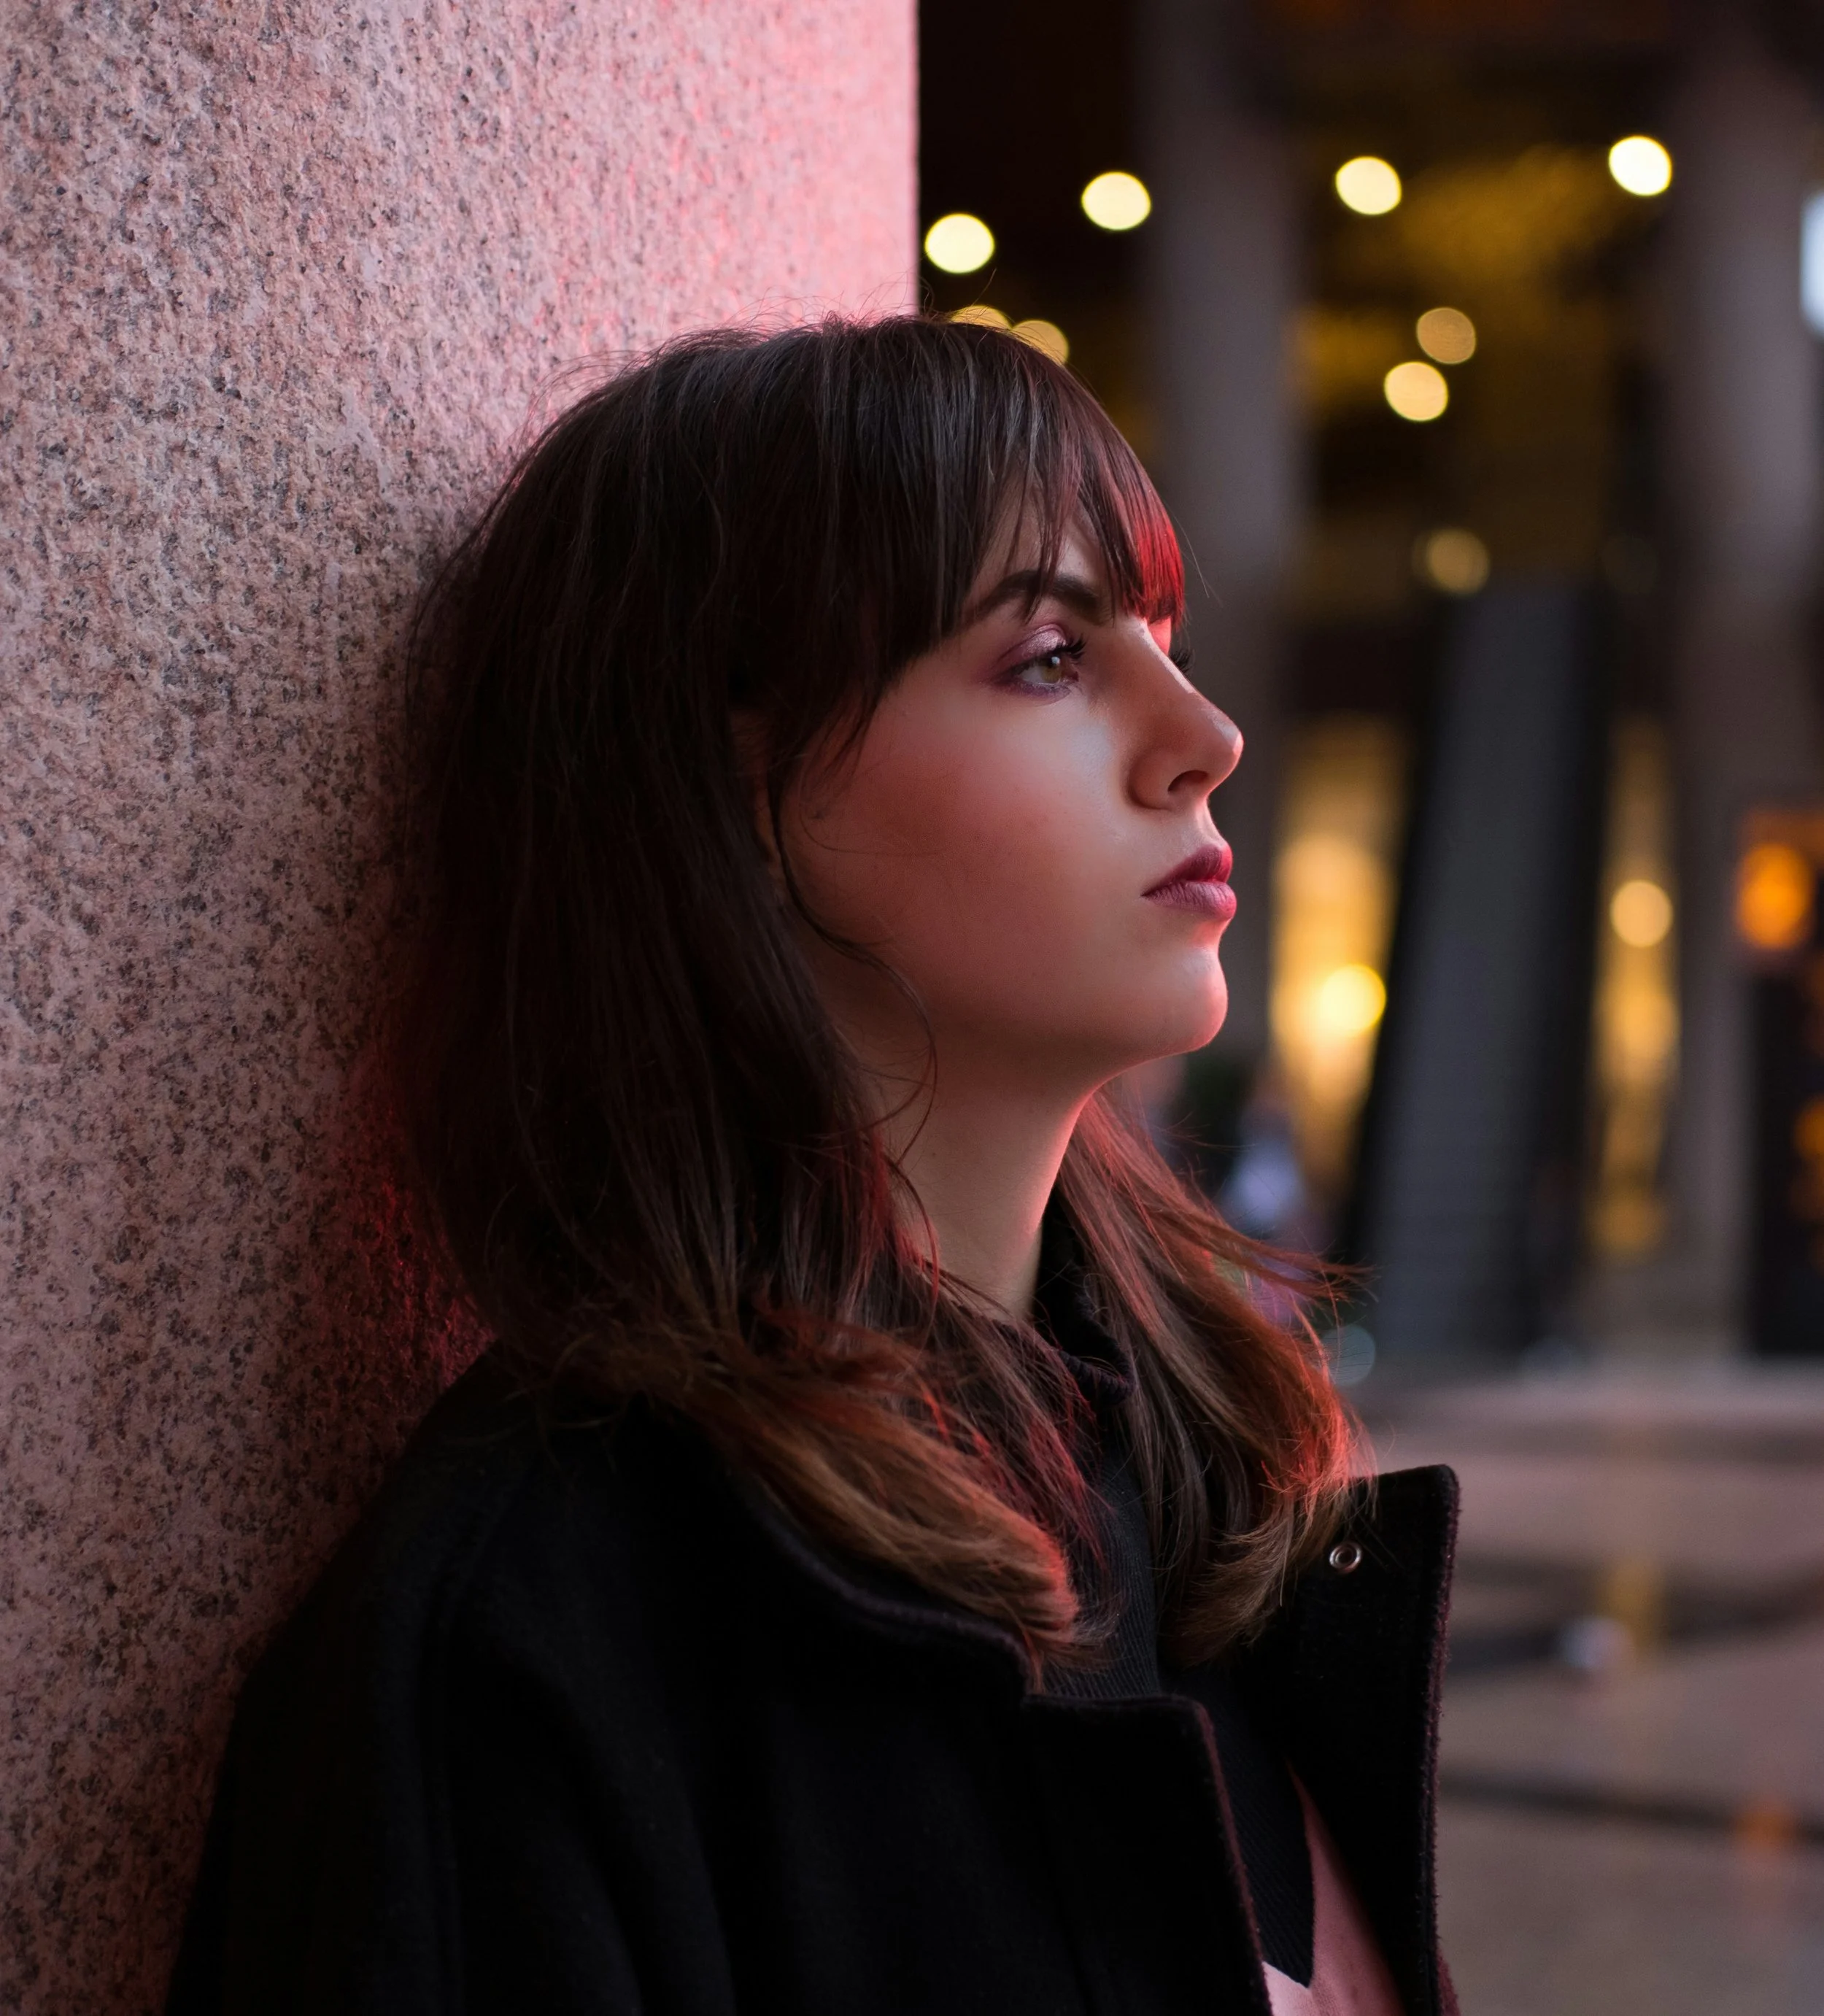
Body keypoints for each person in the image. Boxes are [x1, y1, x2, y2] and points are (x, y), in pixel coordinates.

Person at [166, 317, 1457, 2016]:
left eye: (1159, 633)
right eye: (1050, 657)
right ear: (741, 791)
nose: (1200, 733)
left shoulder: (1197, 1500)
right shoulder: (538, 1640)